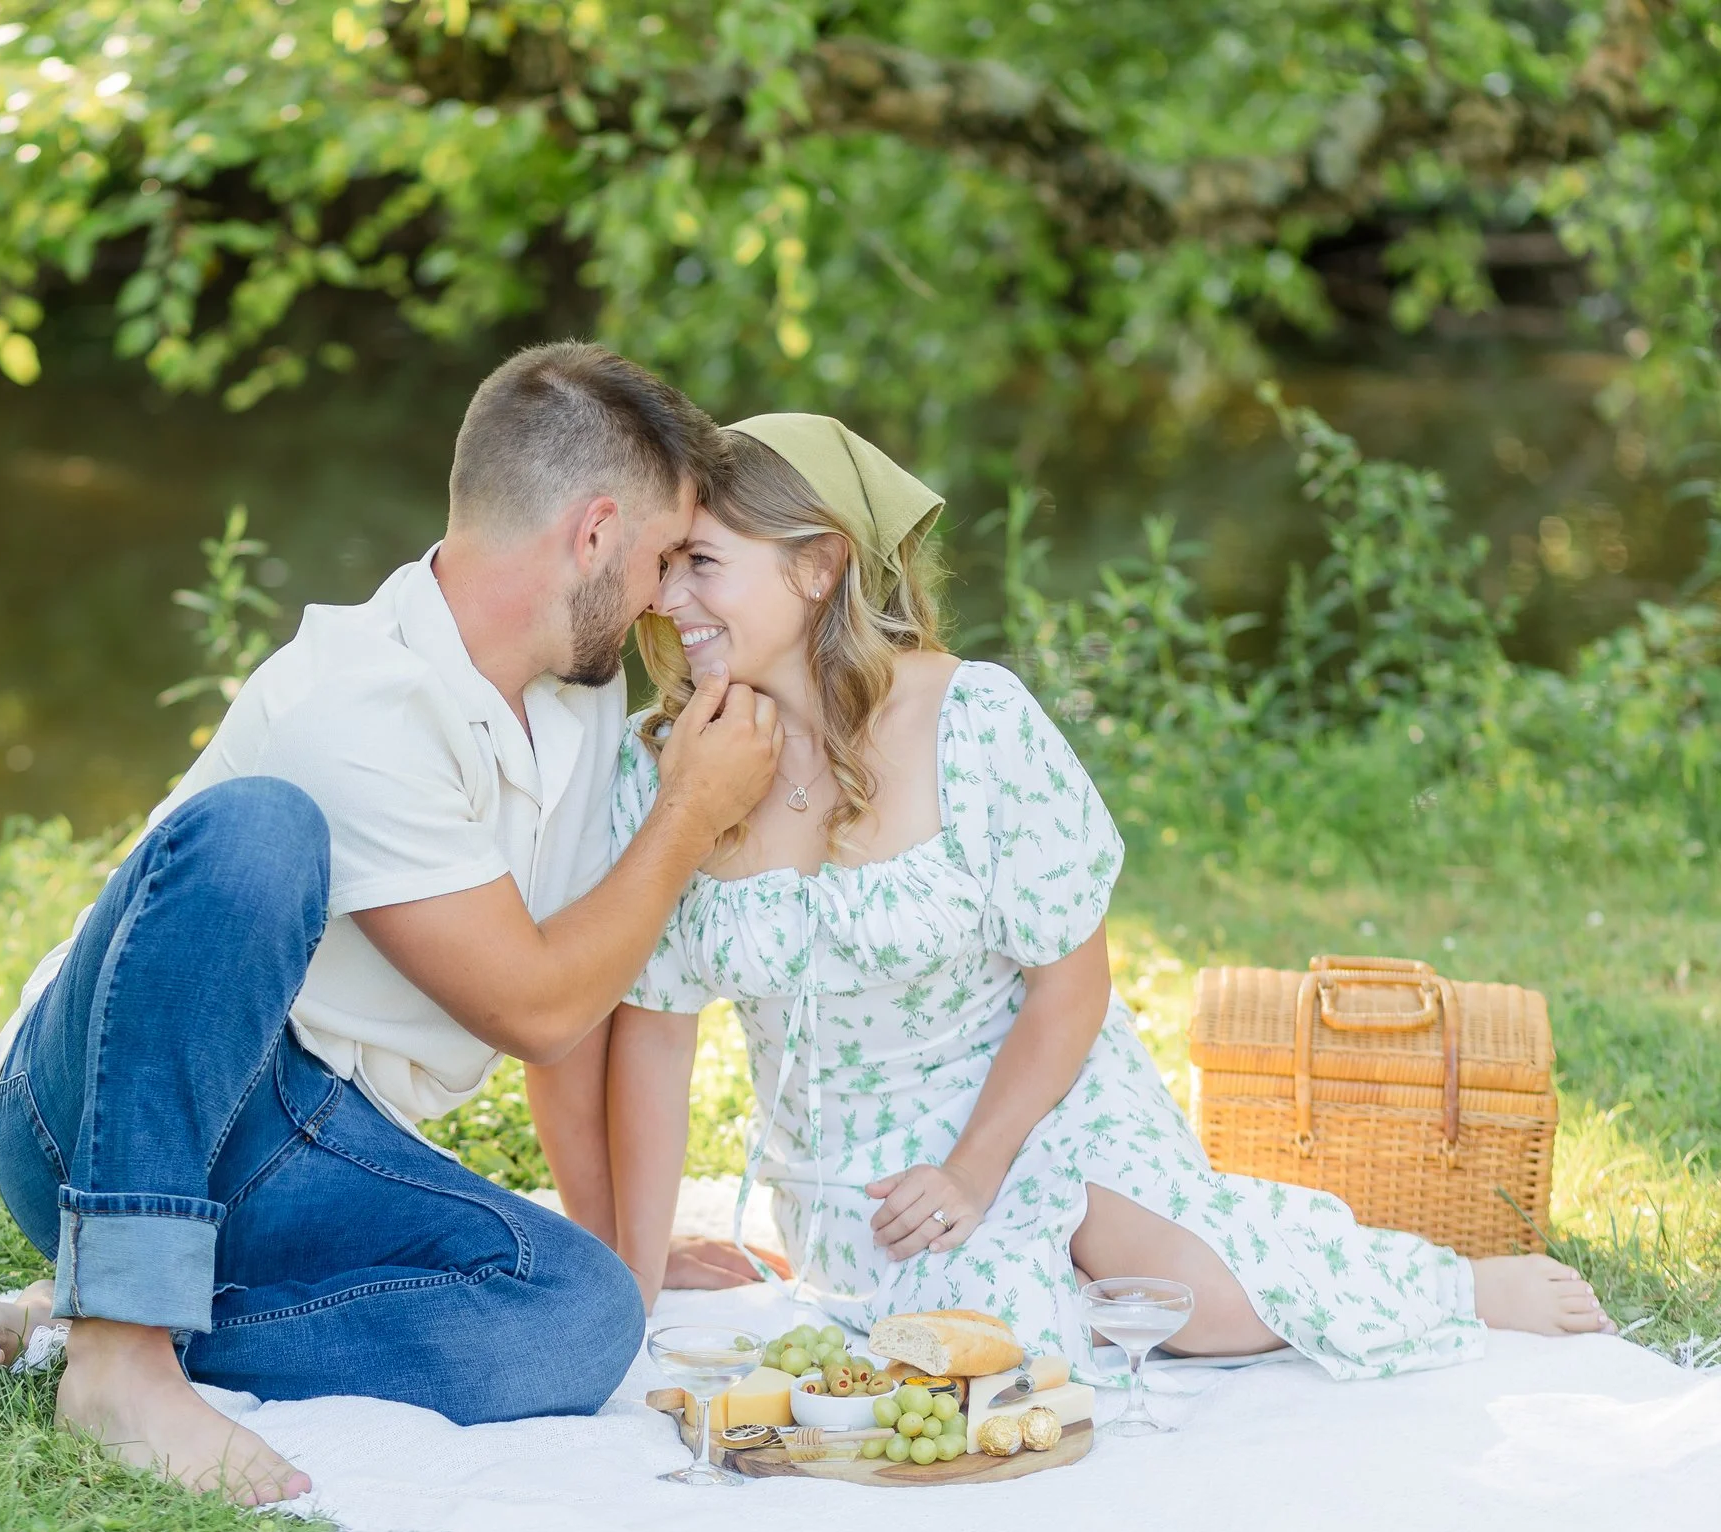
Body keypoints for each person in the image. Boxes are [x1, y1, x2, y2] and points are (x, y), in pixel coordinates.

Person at [531, 411, 1616, 1382]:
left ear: (818, 566)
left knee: (1193, 1303)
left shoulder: (977, 722)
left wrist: (973, 1171)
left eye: (702, 564)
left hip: (1037, 1100)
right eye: (667, 565)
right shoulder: (664, 764)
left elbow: (1070, 986)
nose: (666, 599)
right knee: (969, 1355)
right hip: (852, 1184)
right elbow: (656, 1037)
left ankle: (1455, 1285)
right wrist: (633, 1284)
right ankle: (1064, 1282)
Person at [0, 343, 783, 1505]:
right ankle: (119, 1354)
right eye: (659, 556)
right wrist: (689, 812)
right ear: (593, 534)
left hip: (322, 1140)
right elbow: (535, 1008)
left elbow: (575, 970)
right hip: (103, 1107)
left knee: (583, 1315)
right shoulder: (352, 700)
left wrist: (620, 1251)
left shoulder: (580, 695)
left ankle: (80, 1316)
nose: (660, 595)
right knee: (260, 830)